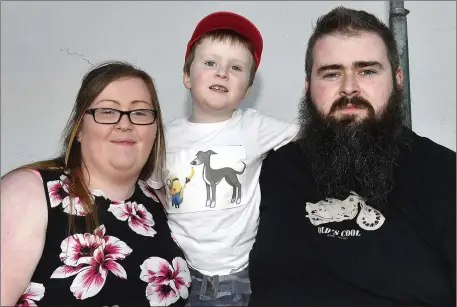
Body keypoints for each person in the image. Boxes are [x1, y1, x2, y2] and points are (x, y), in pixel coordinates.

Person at [249, 6, 456, 307]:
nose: (349, 88)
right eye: (331, 73)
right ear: (308, 87)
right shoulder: (269, 171)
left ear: (398, 79)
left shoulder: (445, 174)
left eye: (367, 71)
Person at [1, 61, 191, 307]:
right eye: (107, 111)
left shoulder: (163, 204)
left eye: (141, 112)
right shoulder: (28, 193)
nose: (125, 123)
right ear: (79, 129)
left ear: (155, 130)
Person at [146, 11, 299, 306]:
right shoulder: (164, 137)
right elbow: (152, 184)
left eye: (236, 68)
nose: (222, 72)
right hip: (177, 271)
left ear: (247, 90)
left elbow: (309, 134)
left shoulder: (254, 127)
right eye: (210, 62)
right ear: (186, 76)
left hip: (236, 276)